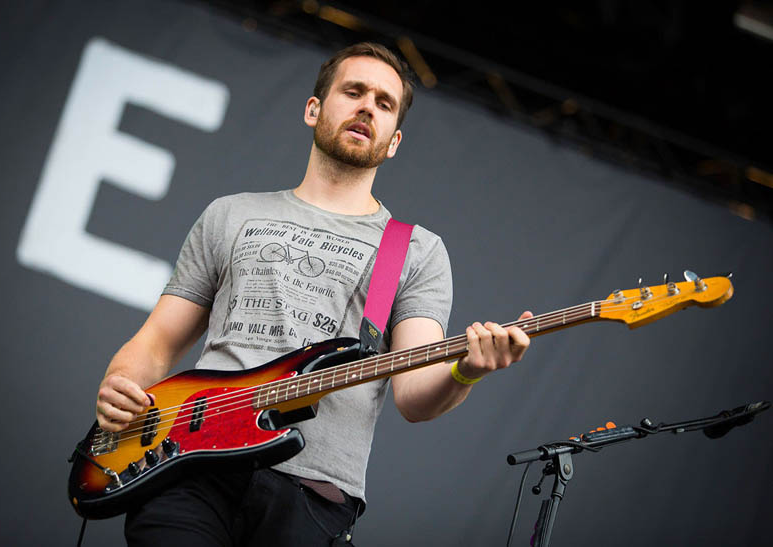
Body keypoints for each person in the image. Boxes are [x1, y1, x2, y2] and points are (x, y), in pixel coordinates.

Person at [95, 42, 533, 546]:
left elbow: (414, 397)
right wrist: (121, 382)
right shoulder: (231, 214)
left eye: (384, 103)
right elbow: (156, 343)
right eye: (353, 91)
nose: (368, 106)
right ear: (314, 109)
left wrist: (467, 368)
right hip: (191, 473)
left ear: (393, 142)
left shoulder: (414, 250)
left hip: (312, 495)